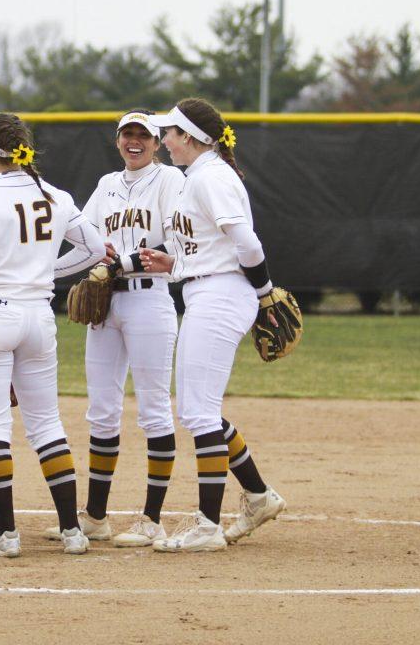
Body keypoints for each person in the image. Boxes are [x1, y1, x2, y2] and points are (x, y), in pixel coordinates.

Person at [0, 112, 106, 558]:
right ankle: (71, 530)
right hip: (37, 315)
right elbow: (95, 248)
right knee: (46, 423)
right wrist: (48, 269)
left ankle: (6, 534)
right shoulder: (55, 195)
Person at [138, 98, 286, 553]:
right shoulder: (196, 178)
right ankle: (259, 497)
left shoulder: (213, 177)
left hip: (223, 295)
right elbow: (211, 244)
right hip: (204, 289)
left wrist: (265, 296)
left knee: (198, 412)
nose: (163, 141)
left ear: (190, 137)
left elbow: (247, 242)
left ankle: (207, 525)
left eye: (170, 133)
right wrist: (175, 262)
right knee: (196, 408)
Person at [47, 110, 185, 548]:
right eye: (128, 134)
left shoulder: (170, 182)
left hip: (149, 299)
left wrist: (119, 262)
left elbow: (177, 242)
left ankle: (152, 518)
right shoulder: (107, 184)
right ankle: (96, 517)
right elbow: (84, 232)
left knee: (153, 409)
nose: (135, 141)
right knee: (102, 409)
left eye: (143, 135)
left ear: (157, 142)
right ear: (118, 139)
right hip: (107, 303)